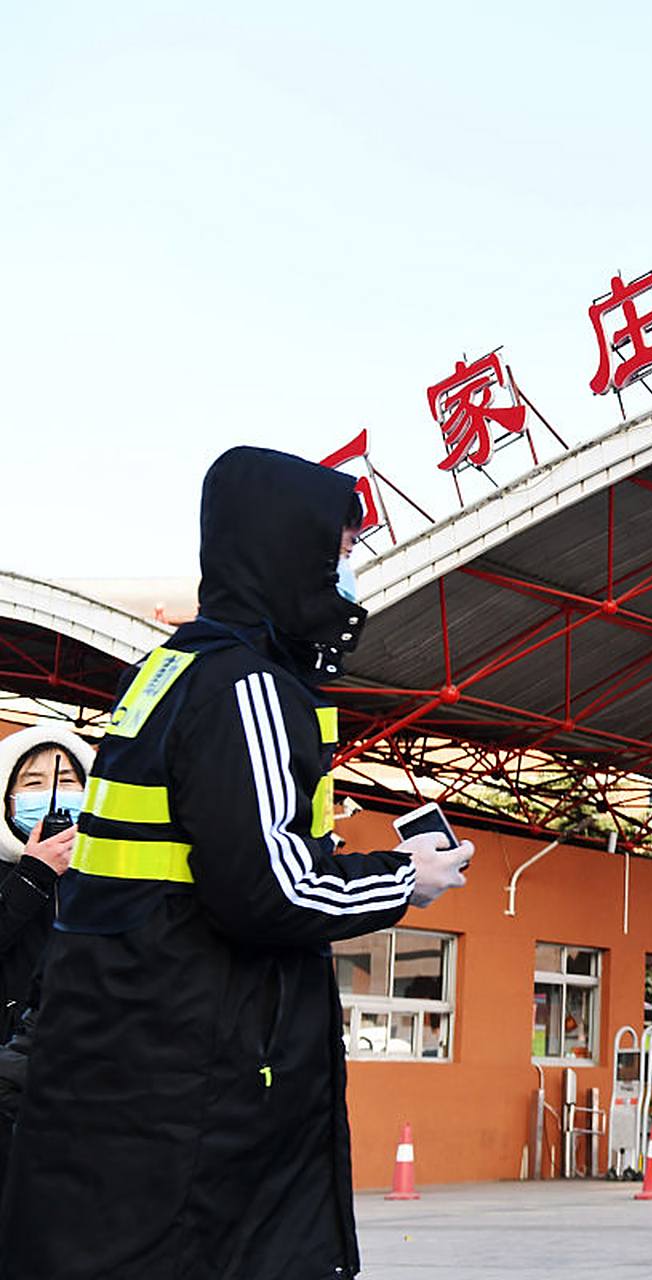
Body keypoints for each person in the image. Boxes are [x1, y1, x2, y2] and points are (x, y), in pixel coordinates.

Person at [0, 446, 473, 1280]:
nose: (350, 576)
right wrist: (407, 877)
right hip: (198, 1094)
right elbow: (269, 888)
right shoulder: (246, 688)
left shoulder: (169, 672)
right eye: (340, 554)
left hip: (129, 1078)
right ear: (287, 552)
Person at [0, 727, 92, 1038]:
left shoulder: (106, 872)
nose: (53, 793)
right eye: (33, 782)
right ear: (7, 799)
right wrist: (32, 874)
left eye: (66, 781)